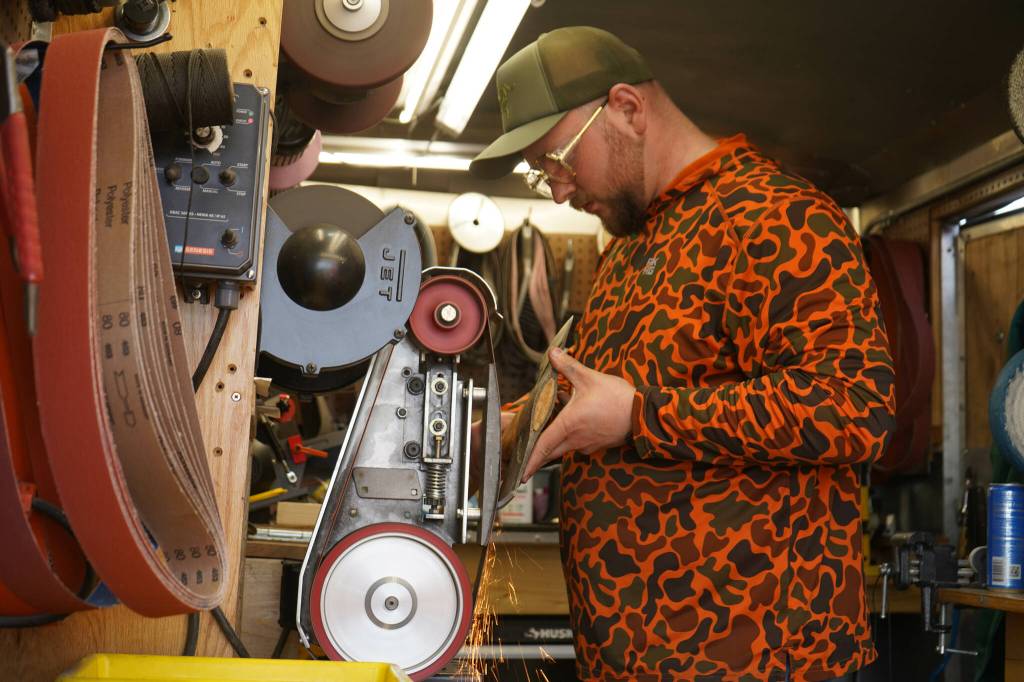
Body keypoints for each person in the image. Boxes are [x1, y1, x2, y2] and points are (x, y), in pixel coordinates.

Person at [468, 26, 896, 682]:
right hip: (638, 658)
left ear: (627, 109)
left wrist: (642, 416)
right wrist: (510, 425)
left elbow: (855, 407)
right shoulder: (631, 245)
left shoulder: (775, 216)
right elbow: (605, 393)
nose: (557, 189)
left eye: (557, 159)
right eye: (541, 173)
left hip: (754, 660)